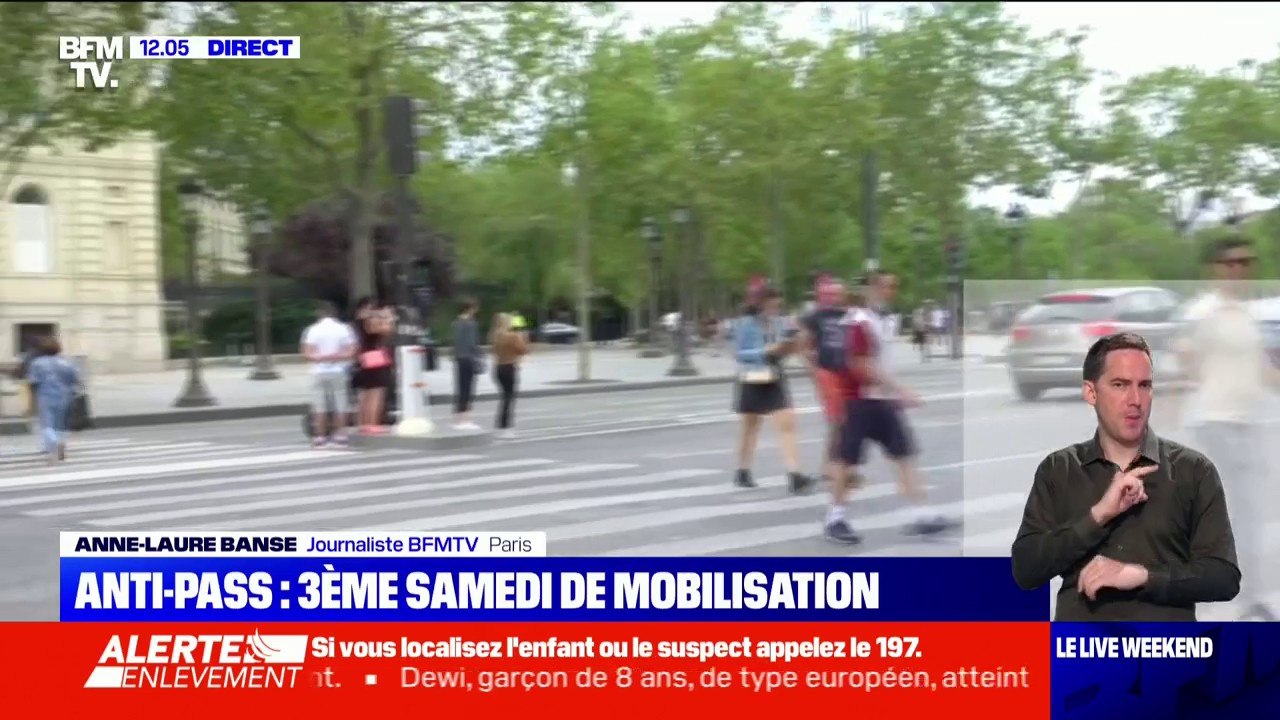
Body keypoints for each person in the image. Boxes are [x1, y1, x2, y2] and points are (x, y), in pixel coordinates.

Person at [1010, 332, 1241, 621]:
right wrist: (1097, 517)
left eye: (1144, 386)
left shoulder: (1193, 471)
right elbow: (1026, 571)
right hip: (1084, 658)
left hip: (1166, 657)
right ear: (1091, 392)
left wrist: (1141, 576)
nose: (1135, 400)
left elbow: (1224, 577)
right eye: (1120, 385)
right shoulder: (1058, 470)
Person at [1172, 237, 1278, 620]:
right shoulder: (1204, 311)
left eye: (1245, 263)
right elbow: (1186, 356)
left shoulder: (1246, 316)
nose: (1239, 270)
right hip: (1214, 422)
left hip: (1244, 422)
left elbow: (1264, 371)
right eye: (1231, 263)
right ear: (1217, 268)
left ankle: (1249, 597)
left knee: (1243, 510)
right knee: (1235, 509)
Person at [842, 272, 951, 536]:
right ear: (870, 288)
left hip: (882, 400)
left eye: (892, 286)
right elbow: (860, 364)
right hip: (860, 401)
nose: (890, 291)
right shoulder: (859, 321)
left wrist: (893, 392)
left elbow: (876, 362)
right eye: (884, 286)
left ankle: (922, 513)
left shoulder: (880, 319)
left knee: (904, 455)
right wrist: (899, 389)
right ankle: (836, 516)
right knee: (847, 462)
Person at [732, 285, 816, 494]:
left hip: (775, 375)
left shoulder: (780, 322)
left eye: (777, 304)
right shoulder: (745, 324)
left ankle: (794, 475)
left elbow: (788, 345)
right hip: (752, 377)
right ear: (760, 303)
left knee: (787, 423)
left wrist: (793, 345)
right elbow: (740, 353)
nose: (775, 307)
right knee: (751, 427)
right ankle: (742, 470)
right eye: (771, 303)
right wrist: (765, 351)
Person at [798, 276, 861, 544]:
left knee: (840, 423)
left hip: (847, 374)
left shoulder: (848, 314)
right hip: (828, 374)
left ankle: (831, 468)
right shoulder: (815, 317)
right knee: (840, 421)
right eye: (829, 293)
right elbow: (804, 344)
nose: (834, 297)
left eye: (838, 292)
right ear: (821, 295)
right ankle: (837, 469)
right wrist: (814, 372)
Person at [301, 301, 358, 448]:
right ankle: (341, 435)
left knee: (320, 405)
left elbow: (307, 354)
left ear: (319, 314)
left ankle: (320, 437)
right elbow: (352, 350)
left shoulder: (312, 330)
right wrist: (336, 357)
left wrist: (322, 358)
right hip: (339, 370)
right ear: (335, 314)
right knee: (341, 404)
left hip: (318, 371)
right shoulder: (344, 329)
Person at [23, 336, 81, 464]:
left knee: (47, 425)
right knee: (60, 424)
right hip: (65, 397)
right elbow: (75, 380)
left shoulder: (37, 363)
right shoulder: (66, 363)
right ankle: (60, 442)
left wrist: (32, 402)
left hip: (45, 397)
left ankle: (53, 444)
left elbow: (33, 382)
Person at [351, 296, 395, 433]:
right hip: (375, 361)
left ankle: (362, 423)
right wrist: (388, 318)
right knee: (376, 395)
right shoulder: (370, 321)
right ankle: (372, 423)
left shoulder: (356, 323)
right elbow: (387, 331)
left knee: (363, 396)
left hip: (362, 359)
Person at [490, 312, 530, 438]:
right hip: (510, 367)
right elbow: (523, 350)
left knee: (504, 397)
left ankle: (500, 425)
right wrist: (523, 338)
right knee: (509, 398)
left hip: (498, 368)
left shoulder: (495, 336)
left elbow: (495, 352)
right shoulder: (513, 336)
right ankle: (507, 428)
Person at [451, 298, 482, 431]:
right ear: (471, 309)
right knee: (469, 389)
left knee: (460, 387)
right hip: (469, 358)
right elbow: (472, 343)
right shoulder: (471, 324)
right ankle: (465, 419)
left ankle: (459, 418)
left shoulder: (456, 323)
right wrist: (478, 356)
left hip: (459, 358)